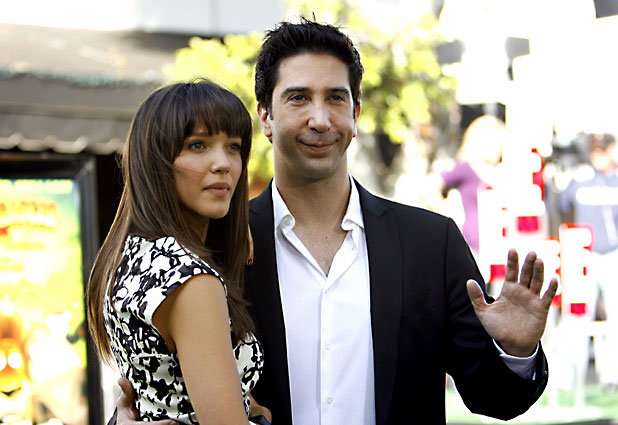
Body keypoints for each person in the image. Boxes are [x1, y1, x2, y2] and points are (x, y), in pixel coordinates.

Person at [114, 19, 557, 425]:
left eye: (336, 98)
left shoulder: (430, 243)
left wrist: (516, 351)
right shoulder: (212, 246)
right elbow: (155, 389)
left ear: (356, 114)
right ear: (265, 116)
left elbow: (494, 399)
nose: (320, 119)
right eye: (298, 98)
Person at [86, 80, 271, 424]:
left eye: (233, 146)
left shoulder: (128, 256)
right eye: (197, 145)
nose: (223, 163)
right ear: (155, 159)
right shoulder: (189, 279)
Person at [558, 132, 618, 390]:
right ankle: (571, 376)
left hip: (613, 254)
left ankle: (612, 376)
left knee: (615, 316)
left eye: (603, 150)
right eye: (595, 150)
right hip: (583, 256)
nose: (599, 155)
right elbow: (561, 205)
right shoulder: (580, 179)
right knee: (578, 315)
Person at [423, 115, 507, 258]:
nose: (499, 150)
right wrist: (446, 216)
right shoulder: (467, 167)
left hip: (495, 244)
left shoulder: (497, 172)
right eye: (497, 144)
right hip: (472, 245)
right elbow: (429, 186)